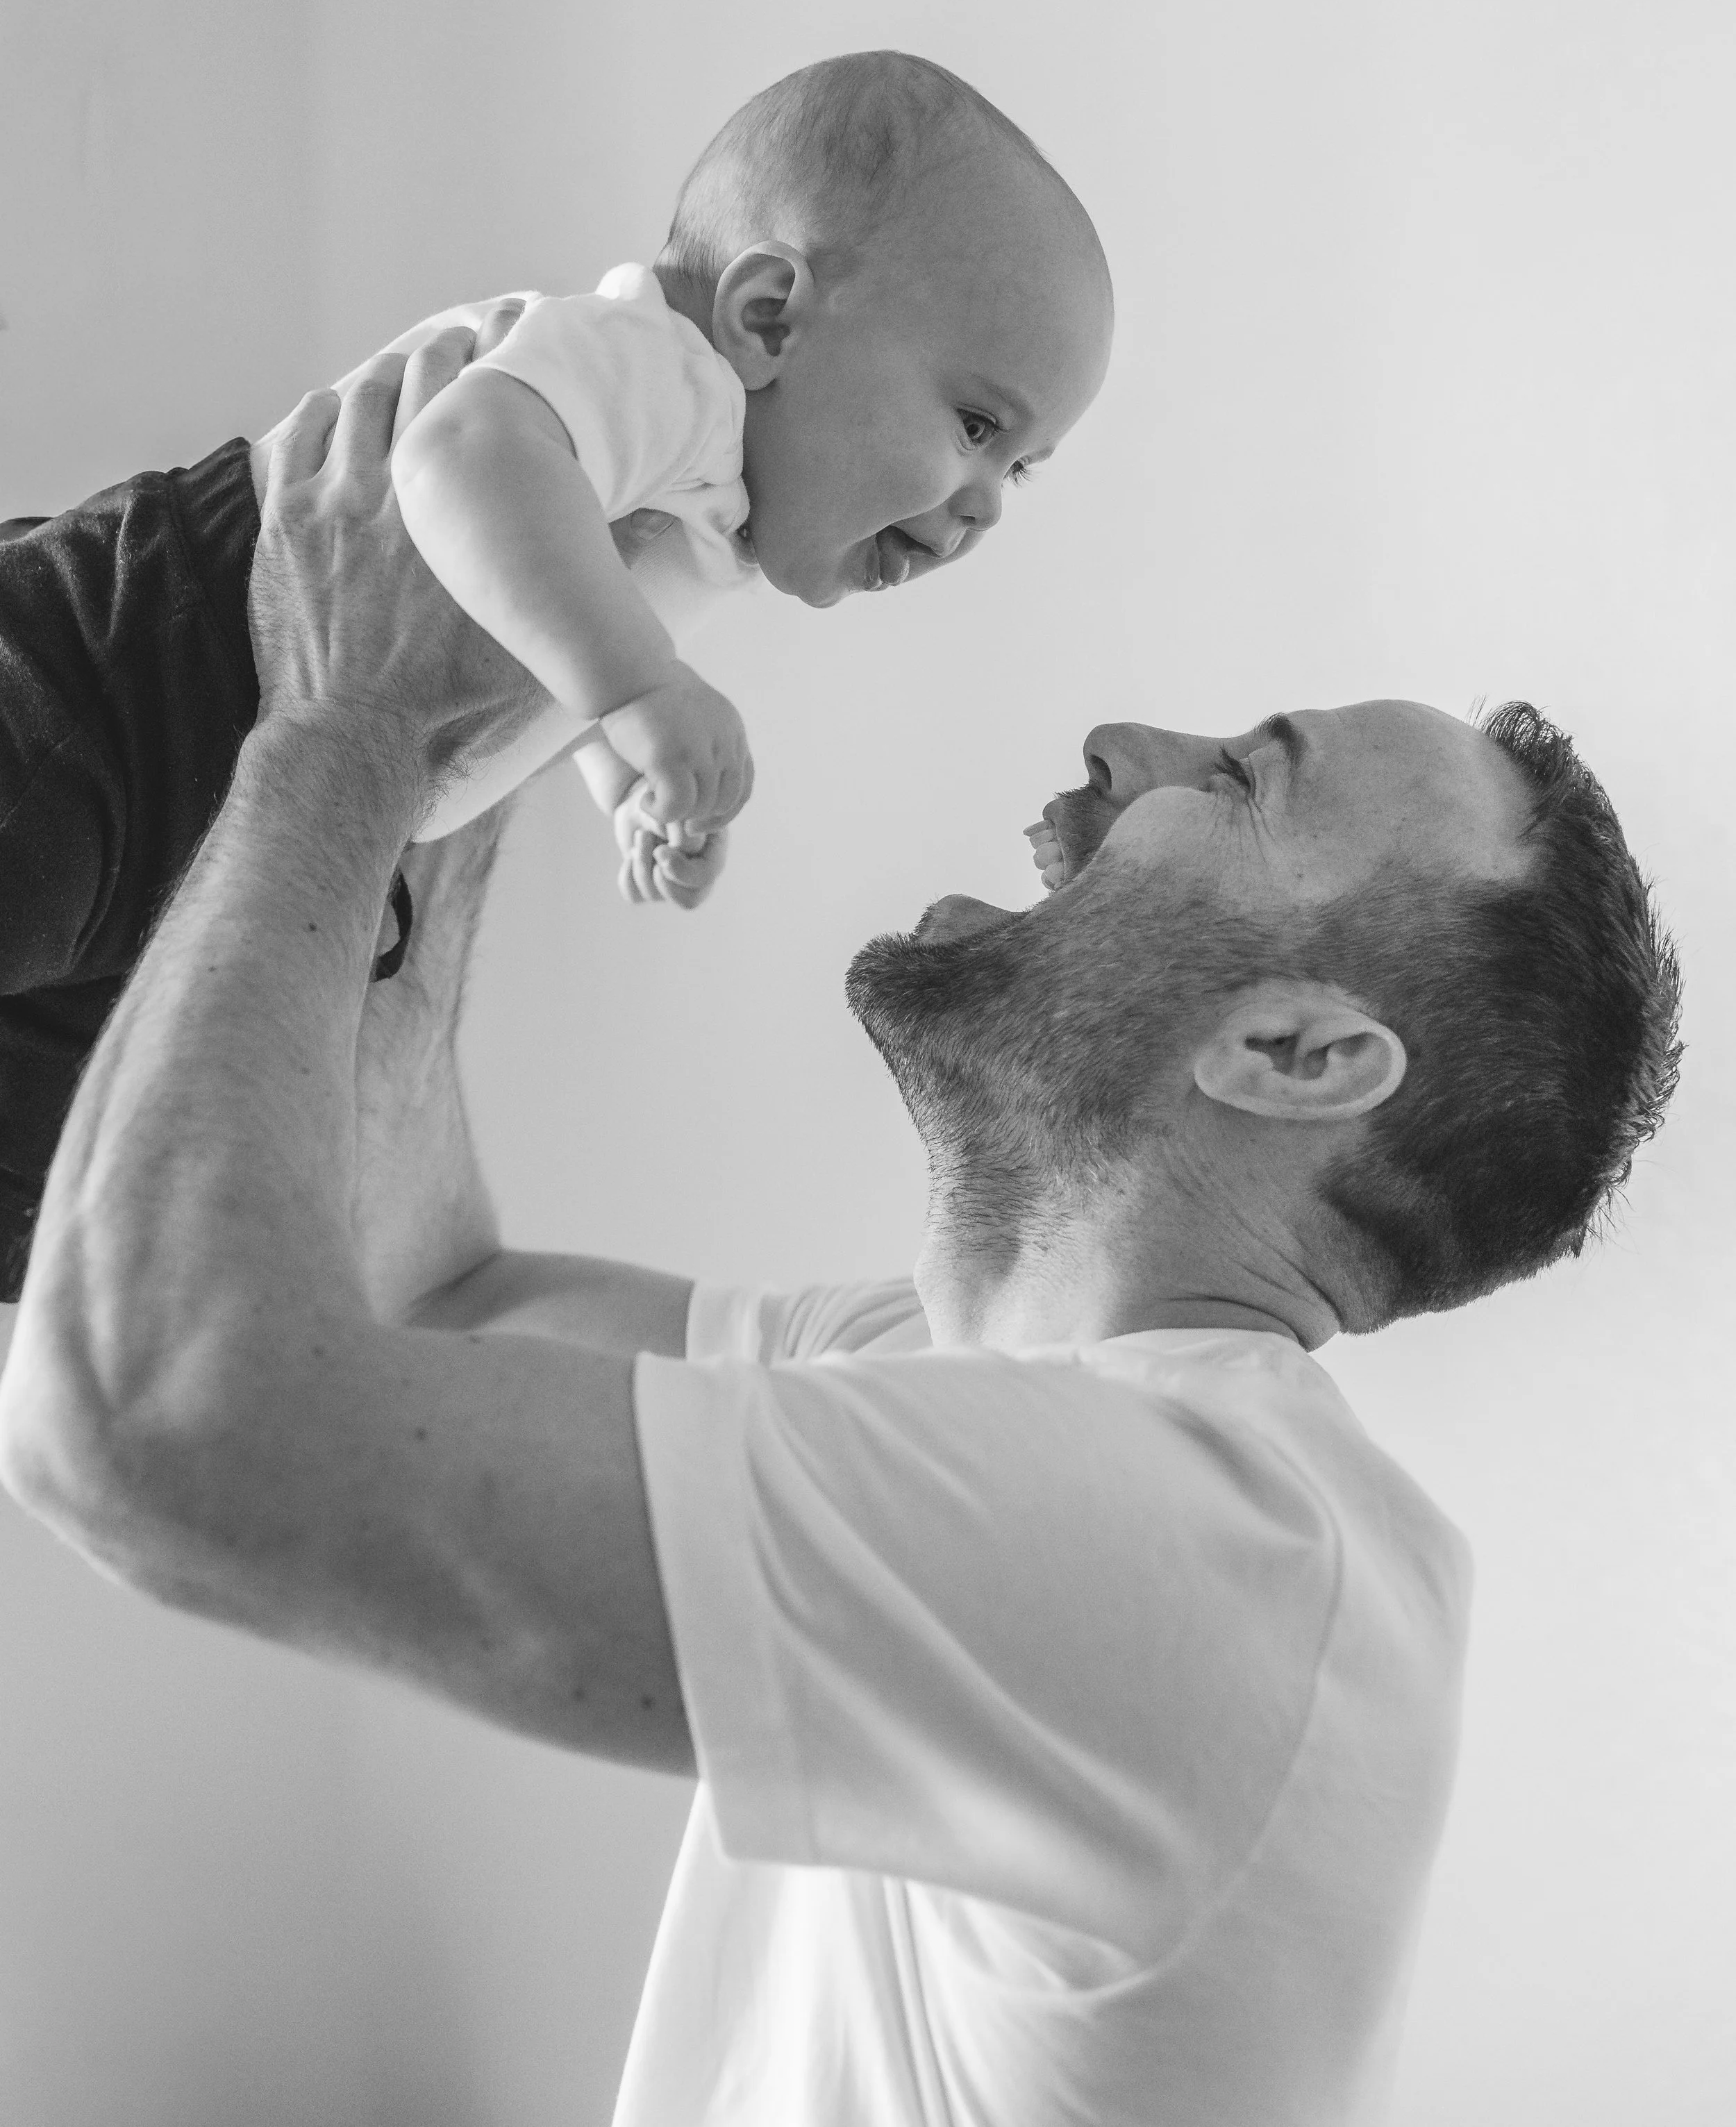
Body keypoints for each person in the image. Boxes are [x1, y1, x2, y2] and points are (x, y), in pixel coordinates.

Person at [0, 326, 1680, 2127]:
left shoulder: (1220, 1551)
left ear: (1292, 1051)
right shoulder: (958, 1392)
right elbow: (439, 1299)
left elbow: (156, 1423)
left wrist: (327, 724)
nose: (1127, 741)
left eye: (1245, 774)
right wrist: (449, 771)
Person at [0, 52, 1114, 1299]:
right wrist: (638, 692)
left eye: (1019, 470)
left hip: (225, 767)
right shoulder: (665, 374)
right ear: (770, 319)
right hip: (143, 661)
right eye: (976, 425)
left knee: (38, 1178)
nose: (984, 508)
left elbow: (528, 618)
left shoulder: (701, 495)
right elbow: (465, 456)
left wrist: (620, 774)